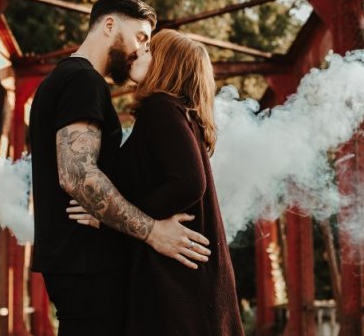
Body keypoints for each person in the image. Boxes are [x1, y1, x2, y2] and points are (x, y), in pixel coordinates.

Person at [29, 0, 212, 336]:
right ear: (110, 24)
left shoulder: (67, 79)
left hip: (80, 262)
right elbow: (78, 175)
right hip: (87, 263)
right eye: (141, 37)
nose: (140, 49)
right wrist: (152, 230)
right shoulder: (83, 81)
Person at [68, 29, 245, 336]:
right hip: (189, 278)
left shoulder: (161, 109)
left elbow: (190, 183)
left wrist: (113, 216)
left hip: (177, 282)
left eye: (150, 50)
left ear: (167, 65)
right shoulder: (180, 115)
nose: (139, 52)